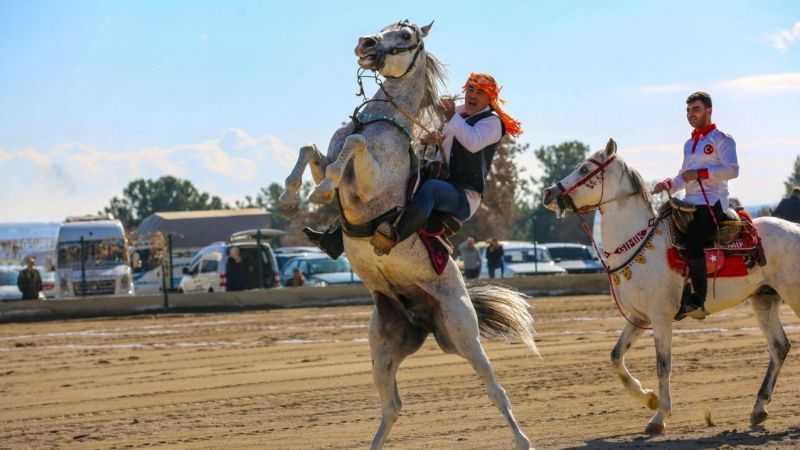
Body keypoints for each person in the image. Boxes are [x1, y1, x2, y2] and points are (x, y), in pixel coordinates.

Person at [370, 73, 523, 256]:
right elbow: (432, 146)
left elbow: (472, 143)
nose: (472, 95)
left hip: (464, 196)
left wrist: (451, 117)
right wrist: (429, 140)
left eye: (480, 92)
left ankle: (393, 237)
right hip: (439, 176)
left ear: (490, 99)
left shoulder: (493, 122)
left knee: (433, 189)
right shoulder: (456, 113)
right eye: (470, 89)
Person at [653, 91, 739, 320]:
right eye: (688, 110)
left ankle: (698, 299)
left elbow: (733, 170)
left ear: (709, 111)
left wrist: (700, 173)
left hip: (713, 203)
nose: (691, 115)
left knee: (693, 240)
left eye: (696, 109)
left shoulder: (722, 139)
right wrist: (668, 184)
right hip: (689, 202)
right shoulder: (689, 144)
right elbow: (684, 176)